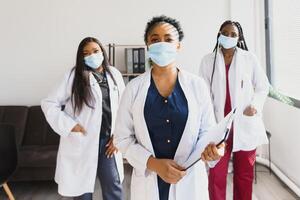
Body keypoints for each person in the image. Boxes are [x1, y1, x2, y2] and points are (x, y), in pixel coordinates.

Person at [114, 15, 223, 200]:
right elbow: (122, 138)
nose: (162, 44)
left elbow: (207, 133)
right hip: (149, 181)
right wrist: (154, 164)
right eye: (155, 40)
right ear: (148, 46)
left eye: (169, 39)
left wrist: (213, 150)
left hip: (189, 181)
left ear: (178, 45)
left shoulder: (197, 86)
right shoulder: (133, 88)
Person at [41, 37, 125, 200]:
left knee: (113, 186)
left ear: (102, 52)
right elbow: (49, 103)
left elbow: (124, 108)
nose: (91, 55)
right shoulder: (73, 76)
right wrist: (70, 126)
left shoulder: (114, 74)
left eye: (95, 51)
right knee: (82, 193)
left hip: (108, 142)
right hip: (83, 140)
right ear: (81, 57)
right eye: (86, 53)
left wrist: (119, 136)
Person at [199, 20, 269, 200]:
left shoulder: (249, 58)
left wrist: (255, 105)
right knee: (216, 174)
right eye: (225, 33)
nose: (228, 37)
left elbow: (263, 86)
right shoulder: (208, 61)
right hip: (219, 125)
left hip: (244, 124)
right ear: (219, 35)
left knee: (244, 175)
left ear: (239, 38)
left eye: (233, 34)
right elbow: (203, 95)